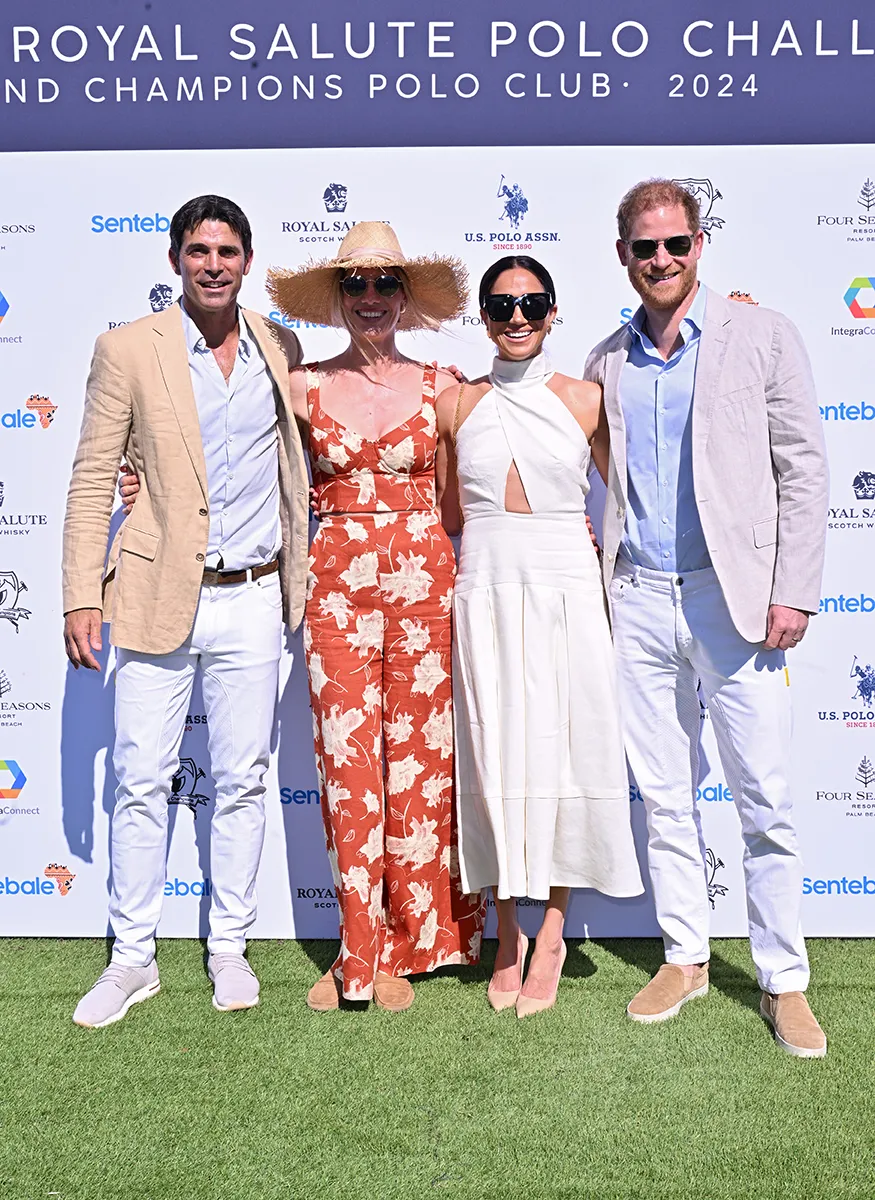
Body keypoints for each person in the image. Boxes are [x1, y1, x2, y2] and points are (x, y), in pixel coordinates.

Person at [585, 178, 829, 1057]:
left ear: (698, 247)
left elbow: (802, 466)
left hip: (737, 604)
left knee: (762, 795)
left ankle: (783, 980)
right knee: (663, 794)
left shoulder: (760, 335)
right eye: (644, 247)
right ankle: (684, 955)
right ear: (623, 256)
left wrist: (793, 586)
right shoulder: (605, 359)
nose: (660, 260)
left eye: (674, 244)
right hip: (640, 599)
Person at [62, 194, 309, 1027]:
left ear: (247, 260)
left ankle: (229, 949)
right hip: (156, 594)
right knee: (139, 781)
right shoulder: (127, 349)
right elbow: (95, 475)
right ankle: (132, 959)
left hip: (255, 596)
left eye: (227, 251)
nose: (212, 264)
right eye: (198, 250)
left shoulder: (281, 346)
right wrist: (77, 593)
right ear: (174, 260)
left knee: (241, 781)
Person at [266, 223, 485, 1011]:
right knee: (347, 768)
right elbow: (235, 462)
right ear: (336, 297)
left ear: (404, 296)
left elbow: (462, 499)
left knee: (419, 767)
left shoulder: (444, 385)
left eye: (383, 284)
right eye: (354, 285)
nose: (369, 299)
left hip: (427, 585)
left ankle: (415, 941)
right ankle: (357, 951)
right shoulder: (301, 387)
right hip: (334, 591)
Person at [435, 256, 643, 1018]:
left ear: (553, 312)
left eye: (531, 303)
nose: (516, 317)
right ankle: (506, 932)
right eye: (500, 304)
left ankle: (551, 930)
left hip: (565, 584)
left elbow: (625, 498)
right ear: (482, 316)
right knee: (494, 755)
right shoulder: (455, 405)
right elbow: (449, 512)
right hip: (485, 583)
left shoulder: (586, 399)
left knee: (560, 749)